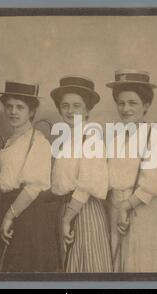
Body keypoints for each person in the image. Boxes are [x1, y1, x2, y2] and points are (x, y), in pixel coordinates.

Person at [106, 70, 157, 272]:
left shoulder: (153, 138)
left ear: (146, 105)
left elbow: (155, 182)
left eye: (132, 103)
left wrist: (126, 206)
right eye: (121, 102)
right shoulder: (114, 139)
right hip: (115, 210)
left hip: (143, 212)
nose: (125, 108)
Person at [0, 81, 58, 272]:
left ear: (31, 112)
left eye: (20, 107)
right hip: (9, 209)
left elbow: (34, 187)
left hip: (28, 215)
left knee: (25, 270)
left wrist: (9, 216)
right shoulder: (11, 142)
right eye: (9, 106)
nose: (13, 111)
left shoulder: (38, 142)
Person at [51, 75, 112, 272]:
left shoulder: (91, 137)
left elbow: (86, 184)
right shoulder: (68, 139)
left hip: (84, 212)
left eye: (76, 105)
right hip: (68, 209)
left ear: (87, 109)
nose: (70, 111)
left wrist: (67, 219)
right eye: (65, 105)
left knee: (88, 268)